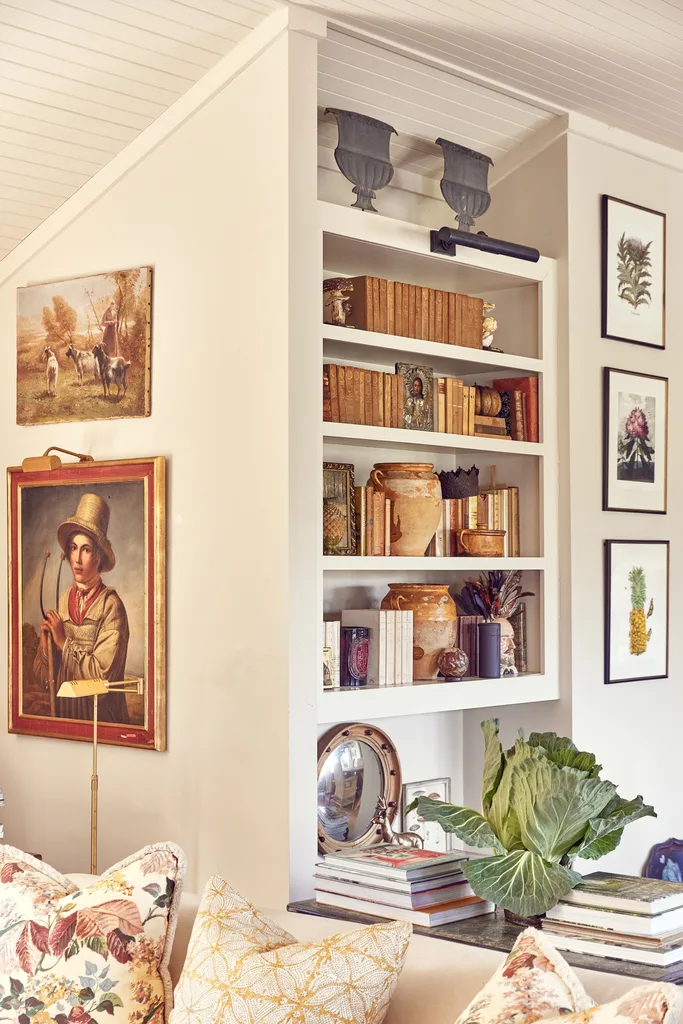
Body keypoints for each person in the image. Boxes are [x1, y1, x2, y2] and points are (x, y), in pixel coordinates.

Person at [34, 493, 130, 722]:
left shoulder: (112, 607)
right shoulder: (63, 601)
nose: (77, 558)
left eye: (86, 549)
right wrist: (46, 645)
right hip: (66, 723)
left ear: (98, 556)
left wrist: (62, 642)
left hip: (102, 725)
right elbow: (45, 680)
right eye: (73, 548)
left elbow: (101, 677)